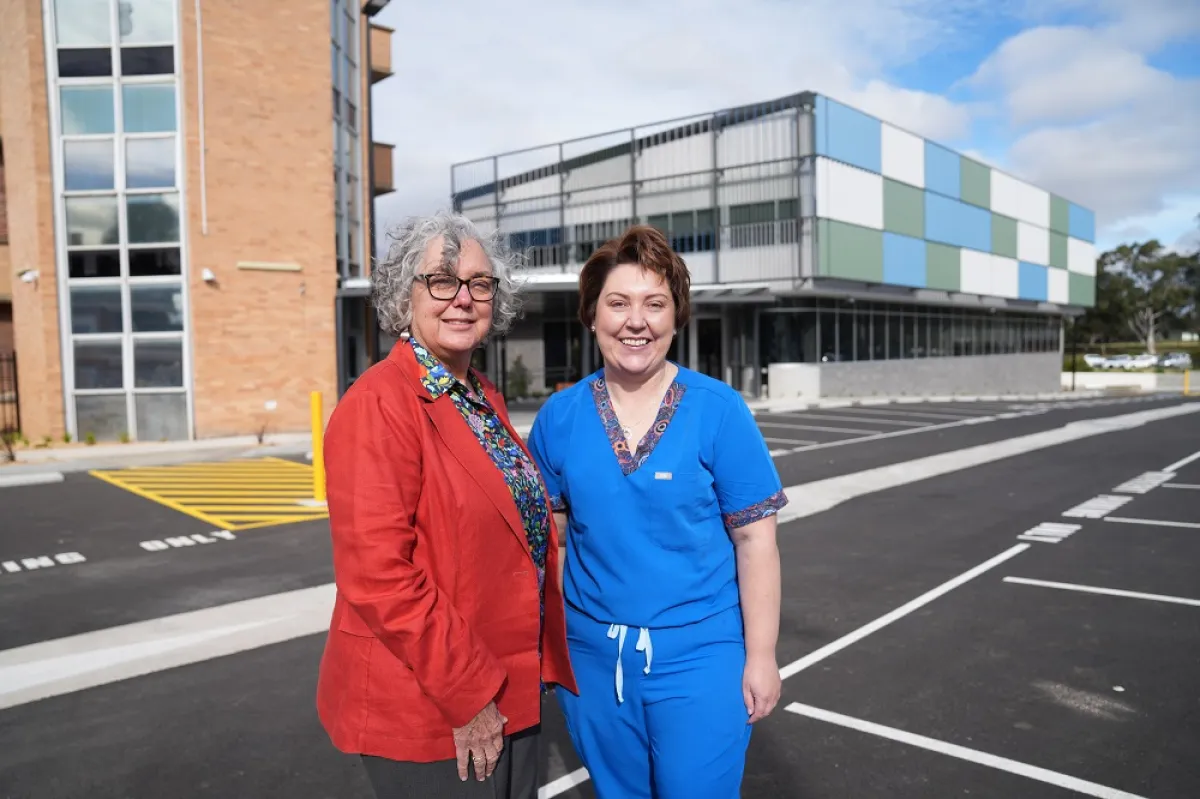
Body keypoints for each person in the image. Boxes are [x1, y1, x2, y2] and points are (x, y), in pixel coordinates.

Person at [316, 211, 576, 799]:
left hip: (510, 682)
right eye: (441, 280)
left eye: (479, 283)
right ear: (403, 294)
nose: (462, 298)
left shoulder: (479, 396)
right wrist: (470, 696)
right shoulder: (378, 404)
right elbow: (378, 576)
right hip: (435, 705)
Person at [527, 224, 786, 798]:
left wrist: (761, 657)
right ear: (592, 316)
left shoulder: (720, 411)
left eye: (655, 304)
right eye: (617, 303)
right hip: (592, 661)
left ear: (676, 317)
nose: (635, 321)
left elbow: (756, 542)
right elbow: (553, 541)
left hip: (700, 658)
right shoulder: (560, 417)